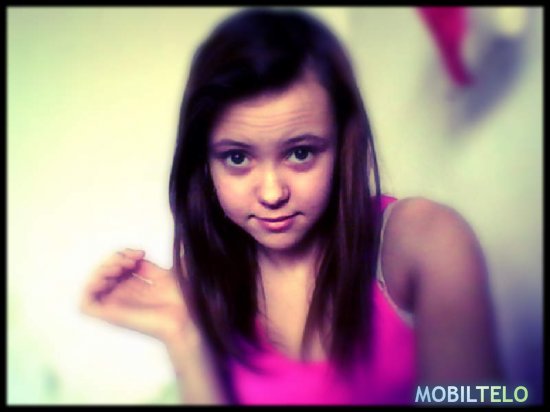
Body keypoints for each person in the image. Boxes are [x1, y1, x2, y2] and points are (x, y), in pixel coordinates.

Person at [80, 8, 503, 405]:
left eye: (300, 153)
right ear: (204, 163)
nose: (271, 193)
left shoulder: (424, 242)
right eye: (237, 158)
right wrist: (183, 335)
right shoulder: (204, 277)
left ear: (343, 144)